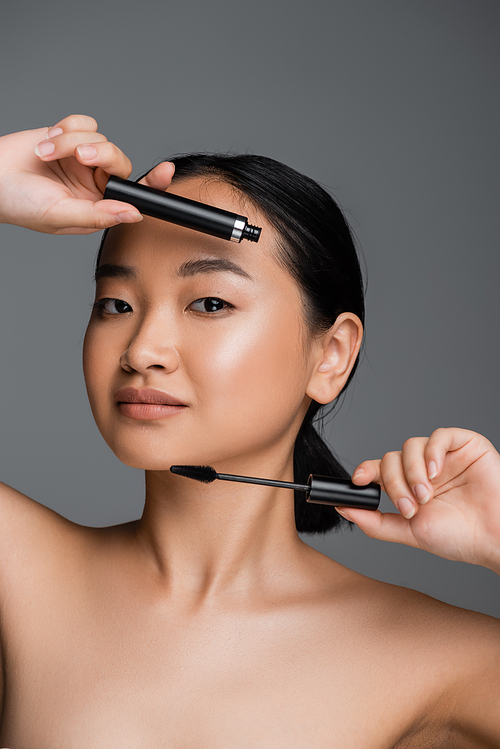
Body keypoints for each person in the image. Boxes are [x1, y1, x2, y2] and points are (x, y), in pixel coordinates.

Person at [0, 113, 499, 746]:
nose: (144, 349)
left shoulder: (445, 660)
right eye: (115, 305)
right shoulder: (20, 576)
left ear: (331, 356)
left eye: (210, 302)